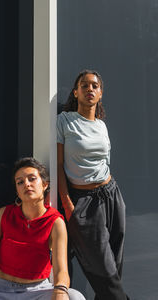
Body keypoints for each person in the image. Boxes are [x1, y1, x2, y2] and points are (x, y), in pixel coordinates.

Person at [0, 157, 85, 300]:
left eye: (32, 179)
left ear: (44, 185)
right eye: (20, 182)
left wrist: (60, 290)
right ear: (17, 191)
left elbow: (61, 267)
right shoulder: (4, 214)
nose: (26, 184)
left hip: (37, 292)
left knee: (75, 296)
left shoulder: (55, 221)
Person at [57, 70, 129, 300]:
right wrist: (67, 203)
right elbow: (58, 165)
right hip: (83, 201)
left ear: (100, 94)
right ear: (76, 92)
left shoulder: (101, 125)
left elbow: (103, 161)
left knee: (115, 264)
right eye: (84, 85)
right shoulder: (65, 120)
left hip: (110, 194)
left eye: (95, 86)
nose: (90, 89)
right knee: (104, 271)